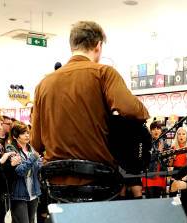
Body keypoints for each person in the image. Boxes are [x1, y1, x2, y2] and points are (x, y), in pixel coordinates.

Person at [30, 20, 149, 185]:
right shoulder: (103, 73)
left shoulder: (43, 84)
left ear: (72, 46)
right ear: (98, 45)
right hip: (97, 178)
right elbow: (134, 111)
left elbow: (36, 142)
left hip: (57, 181)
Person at [6, 122, 43, 223]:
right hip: (18, 194)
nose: (27, 135)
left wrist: (40, 162)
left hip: (33, 193)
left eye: (27, 132)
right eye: (23, 133)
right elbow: (20, 171)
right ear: (16, 136)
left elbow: (37, 168)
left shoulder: (31, 148)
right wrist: (33, 158)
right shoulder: (11, 149)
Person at [141, 121, 169, 198]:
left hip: (160, 174)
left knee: (157, 198)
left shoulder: (164, 143)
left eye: (158, 128)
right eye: (153, 129)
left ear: (161, 130)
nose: (156, 130)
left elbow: (167, 160)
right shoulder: (147, 143)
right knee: (150, 199)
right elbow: (146, 158)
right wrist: (158, 152)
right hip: (149, 174)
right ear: (150, 131)